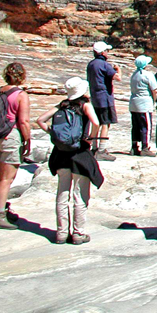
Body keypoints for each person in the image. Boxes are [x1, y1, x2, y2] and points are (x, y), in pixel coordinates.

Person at [37, 77, 103, 244]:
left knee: (62, 193)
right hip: (79, 154)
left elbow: (40, 120)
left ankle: (61, 232)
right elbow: (96, 122)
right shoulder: (85, 105)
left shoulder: (62, 105)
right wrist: (90, 139)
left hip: (60, 154)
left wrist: (54, 135)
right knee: (79, 195)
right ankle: (78, 233)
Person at [0, 63, 31, 230]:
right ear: (22, 76)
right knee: (7, 178)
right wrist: (27, 140)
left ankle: (1, 209)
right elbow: (23, 121)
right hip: (10, 137)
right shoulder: (21, 95)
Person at [86, 41, 121, 161]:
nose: (107, 53)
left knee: (96, 123)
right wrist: (118, 69)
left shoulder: (91, 64)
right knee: (105, 124)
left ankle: (93, 148)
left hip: (95, 97)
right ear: (102, 52)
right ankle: (102, 150)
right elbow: (117, 77)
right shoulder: (104, 65)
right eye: (106, 50)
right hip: (104, 98)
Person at [129, 55, 157, 157]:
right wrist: (154, 101)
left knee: (135, 126)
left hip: (133, 103)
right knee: (146, 126)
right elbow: (155, 90)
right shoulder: (148, 75)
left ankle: (134, 147)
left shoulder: (134, 75)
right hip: (144, 104)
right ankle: (145, 147)